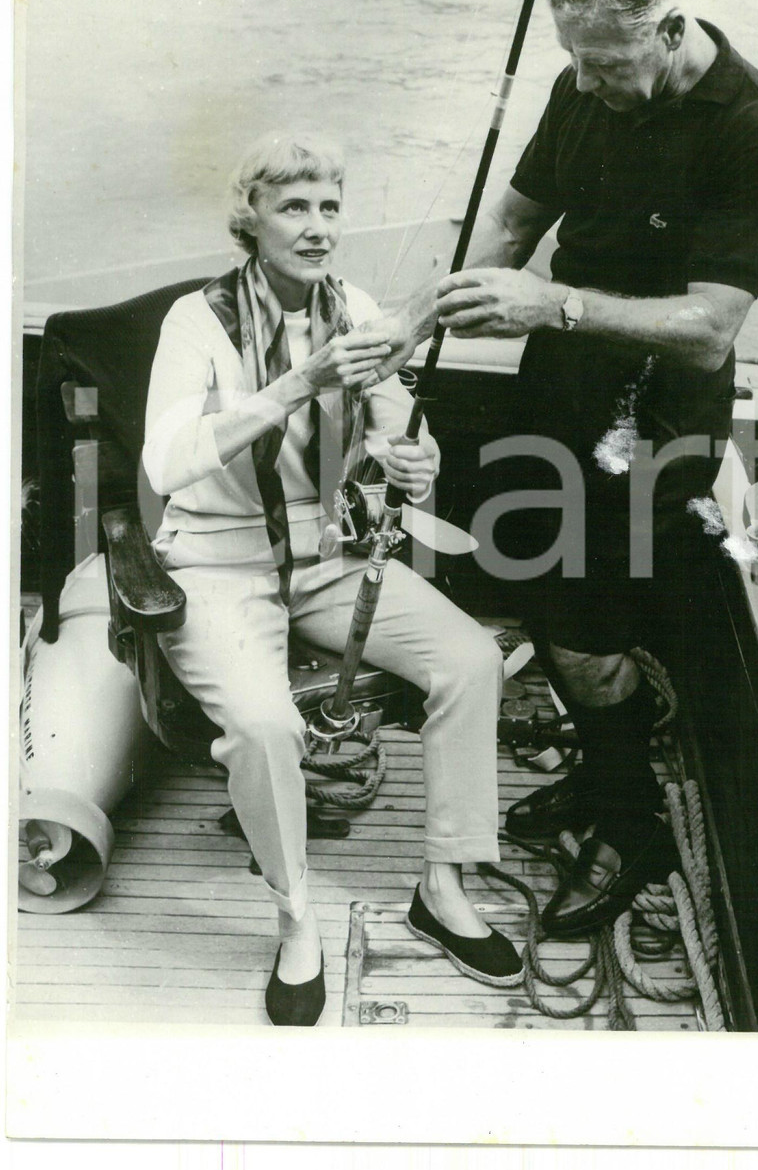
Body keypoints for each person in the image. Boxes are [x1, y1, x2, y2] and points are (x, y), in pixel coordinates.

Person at [375, 0, 758, 939]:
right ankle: (604, 774)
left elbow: (711, 328)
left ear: (669, 27)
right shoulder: (584, 81)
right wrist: (416, 315)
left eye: (608, 62)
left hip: (652, 409)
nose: (590, 83)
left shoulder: (754, 133)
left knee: (579, 622)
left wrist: (555, 304)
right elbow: (518, 217)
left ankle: (634, 821)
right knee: (536, 582)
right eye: (576, 59)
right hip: (557, 381)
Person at [142, 132, 523, 1026]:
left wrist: (413, 460)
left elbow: (399, 429)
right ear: (252, 220)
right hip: (218, 558)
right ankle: (296, 918)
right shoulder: (196, 322)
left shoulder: (354, 306)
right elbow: (166, 462)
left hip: (329, 556)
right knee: (266, 725)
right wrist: (295, 384)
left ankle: (443, 882)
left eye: (330, 207)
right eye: (294, 208)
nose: (318, 229)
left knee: (471, 660)